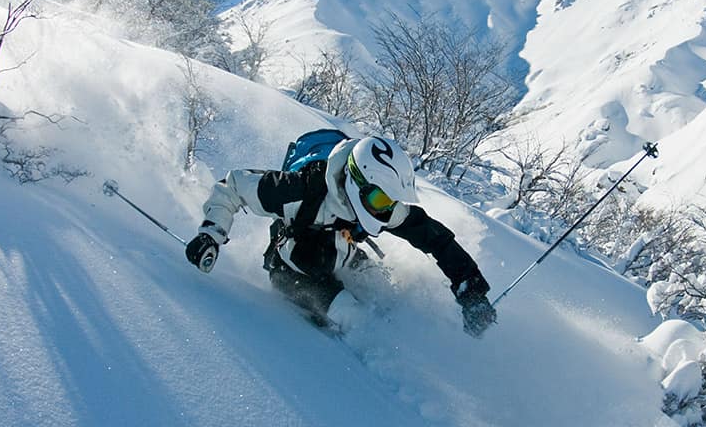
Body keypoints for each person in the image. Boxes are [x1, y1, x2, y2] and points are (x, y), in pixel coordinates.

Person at [184, 134, 497, 337]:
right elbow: (233, 187)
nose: (385, 211)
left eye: (390, 203)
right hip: (293, 269)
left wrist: (471, 290)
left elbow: (434, 238)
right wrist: (210, 234)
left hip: (343, 255)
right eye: (379, 200)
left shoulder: (379, 206)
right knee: (359, 322)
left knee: (389, 304)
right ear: (356, 181)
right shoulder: (300, 190)